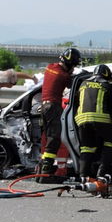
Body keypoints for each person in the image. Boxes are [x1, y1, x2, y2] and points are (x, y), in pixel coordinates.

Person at [38, 48, 80, 179]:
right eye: (73, 66)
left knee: (48, 137)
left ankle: (42, 167)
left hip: (44, 107)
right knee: (54, 138)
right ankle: (46, 169)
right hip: (53, 107)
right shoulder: (64, 76)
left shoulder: (50, 67)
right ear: (69, 63)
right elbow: (72, 85)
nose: (73, 69)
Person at [74, 64, 112, 180]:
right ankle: (101, 173)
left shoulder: (83, 83)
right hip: (101, 119)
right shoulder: (106, 85)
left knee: (86, 147)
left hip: (82, 119)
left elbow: (76, 101)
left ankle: (83, 175)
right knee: (111, 142)